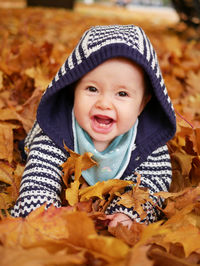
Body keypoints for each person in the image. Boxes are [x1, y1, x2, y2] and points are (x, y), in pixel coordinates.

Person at [11, 25, 176, 228]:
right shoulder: (58, 132)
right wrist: (40, 210)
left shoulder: (147, 142)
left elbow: (153, 180)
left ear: (142, 104)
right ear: (73, 90)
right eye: (92, 89)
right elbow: (40, 174)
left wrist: (131, 213)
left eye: (122, 94)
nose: (104, 103)